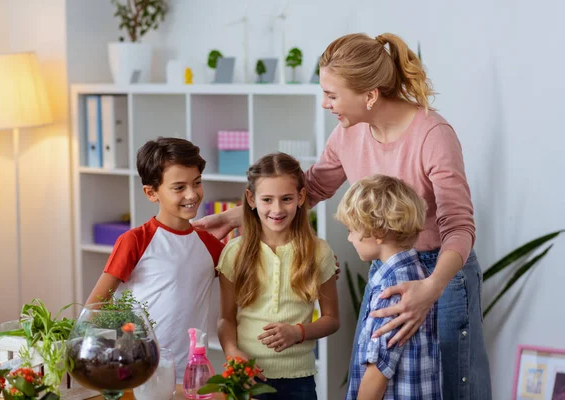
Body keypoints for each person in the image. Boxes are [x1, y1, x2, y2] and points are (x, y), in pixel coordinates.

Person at [194, 32, 491, 399]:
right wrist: (241, 215)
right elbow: (312, 188)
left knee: (449, 385)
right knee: (383, 377)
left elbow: (459, 226)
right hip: (390, 267)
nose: (325, 104)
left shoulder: (433, 134)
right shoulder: (348, 133)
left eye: (332, 95)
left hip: (442, 275)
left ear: (369, 95)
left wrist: (430, 289)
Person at [86, 137, 224, 382]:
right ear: (151, 192)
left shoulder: (210, 245)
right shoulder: (135, 241)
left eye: (197, 183)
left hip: (191, 375)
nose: (192, 194)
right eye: (179, 187)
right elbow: (94, 307)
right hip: (139, 372)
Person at [217, 152, 340, 400]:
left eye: (286, 199)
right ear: (251, 199)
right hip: (246, 376)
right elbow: (226, 319)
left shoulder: (319, 251)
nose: (277, 209)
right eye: (267, 199)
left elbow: (332, 319)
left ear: (300, 197)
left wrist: (298, 332)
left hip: (299, 381)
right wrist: (232, 352)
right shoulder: (234, 252)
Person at [337, 175, 441, 399]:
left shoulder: (392, 289)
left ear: (379, 232)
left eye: (352, 230)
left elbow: (377, 373)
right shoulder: (417, 276)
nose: (349, 239)